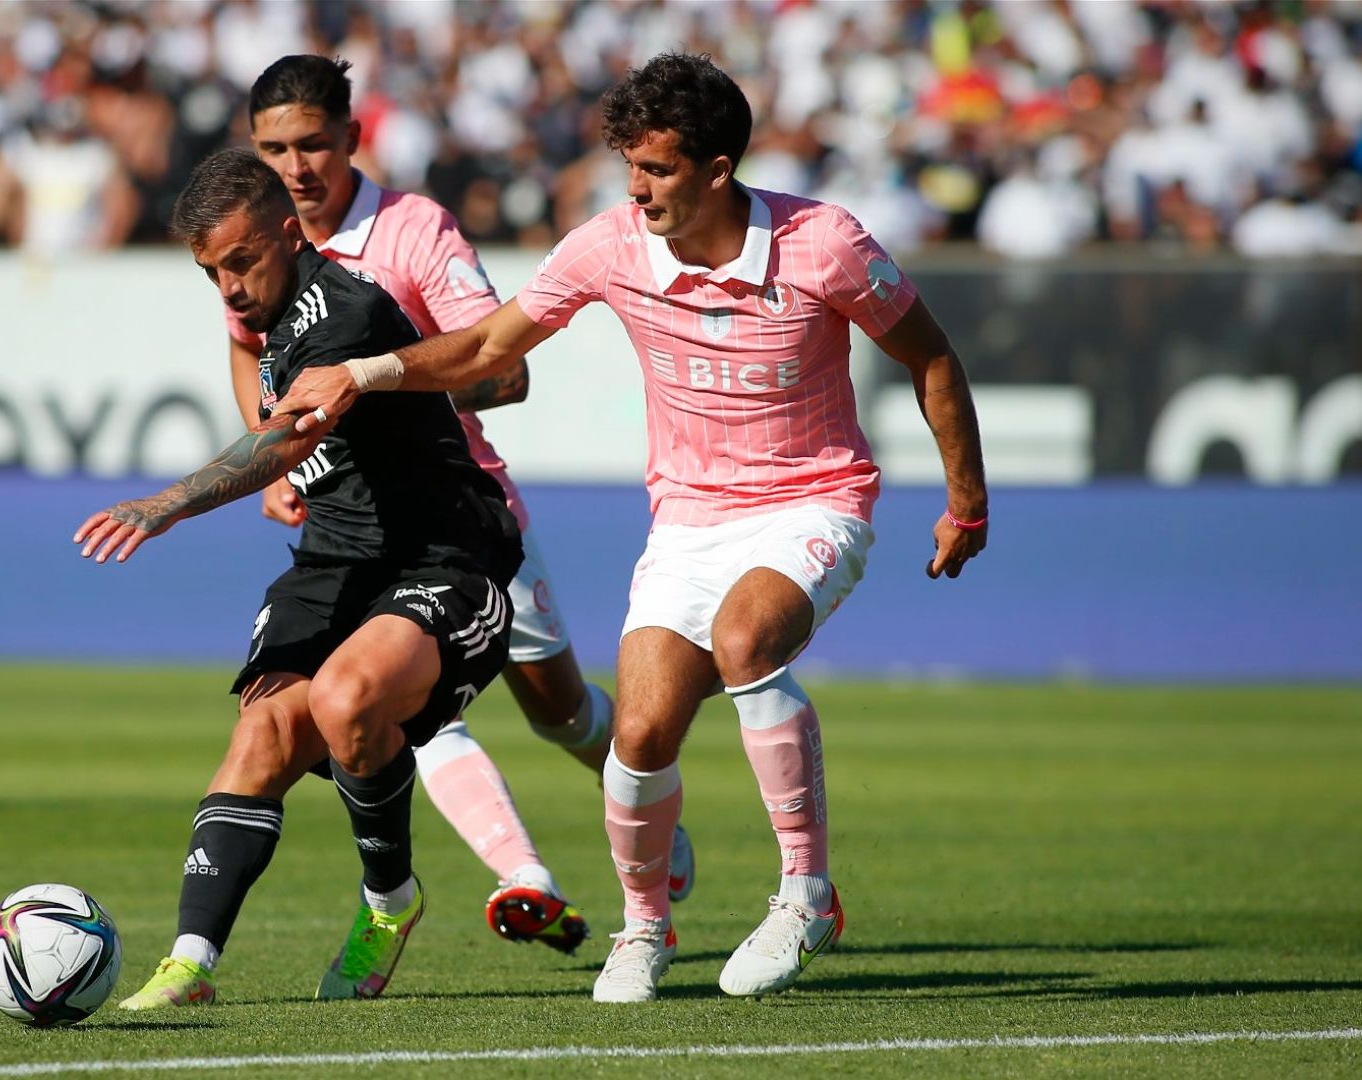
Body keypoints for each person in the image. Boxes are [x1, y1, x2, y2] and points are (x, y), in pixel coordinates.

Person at [277, 53, 989, 1003]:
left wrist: (965, 501)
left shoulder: (826, 245)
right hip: (688, 521)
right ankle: (643, 931)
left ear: (718, 169)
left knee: (744, 643)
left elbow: (932, 356)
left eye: (655, 168)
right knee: (640, 734)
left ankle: (806, 895)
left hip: (812, 499)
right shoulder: (611, 245)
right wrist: (364, 375)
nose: (635, 186)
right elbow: (491, 345)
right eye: (630, 164)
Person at [231, 55, 691, 950]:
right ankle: (526, 877)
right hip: (357, 540)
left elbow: (505, 370)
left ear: (353, 139)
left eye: (312, 144)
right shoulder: (255, 242)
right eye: (273, 148)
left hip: (466, 521)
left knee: (559, 711)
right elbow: (248, 352)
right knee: (388, 702)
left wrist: (374, 387)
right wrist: (279, 455)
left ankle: (649, 803)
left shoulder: (413, 233)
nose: (294, 167)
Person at [77, 148, 524, 1008]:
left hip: (445, 561)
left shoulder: (343, 313)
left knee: (347, 699)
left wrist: (168, 503)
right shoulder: (272, 321)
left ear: (290, 234)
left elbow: (284, 437)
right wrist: (299, 480)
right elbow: (286, 424)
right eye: (212, 273)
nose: (230, 287)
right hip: (335, 564)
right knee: (263, 733)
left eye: (242, 262)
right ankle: (189, 964)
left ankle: (389, 902)